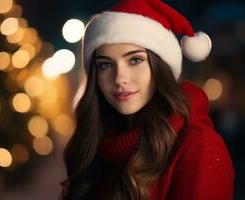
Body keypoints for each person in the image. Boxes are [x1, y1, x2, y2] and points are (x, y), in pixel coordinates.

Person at [60, 0, 234, 199]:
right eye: (105, 65)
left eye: (135, 60)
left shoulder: (199, 148)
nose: (119, 79)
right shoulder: (96, 143)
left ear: (161, 67)